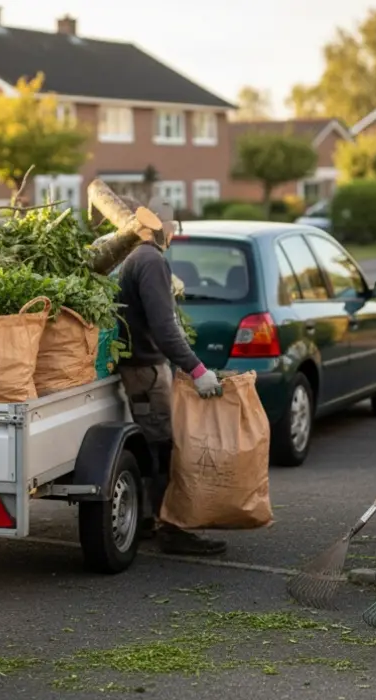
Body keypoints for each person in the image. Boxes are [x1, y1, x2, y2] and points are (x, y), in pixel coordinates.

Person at [114, 202, 226, 556]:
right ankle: (173, 530)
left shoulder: (136, 258)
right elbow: (164, 328)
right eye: (172, 226)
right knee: (164, 447)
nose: (174, 233)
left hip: (141, 367)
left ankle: (149, 519)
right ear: (162, 228)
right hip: (146, 372)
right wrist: (197, 370)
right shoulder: (150, 260)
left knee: (153, 447)